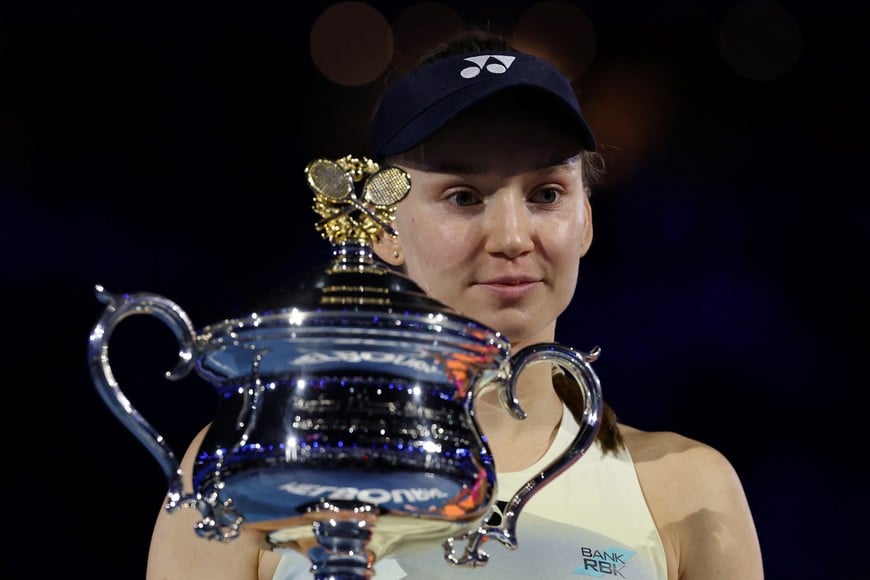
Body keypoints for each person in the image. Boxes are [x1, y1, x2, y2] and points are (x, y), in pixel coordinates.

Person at [146, 29, 764, 579]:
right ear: (382, 228)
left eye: (546, 193)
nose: (513, 237)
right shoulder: (262, 462)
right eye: (464, 197)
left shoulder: (686, 490)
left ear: (586, 221)